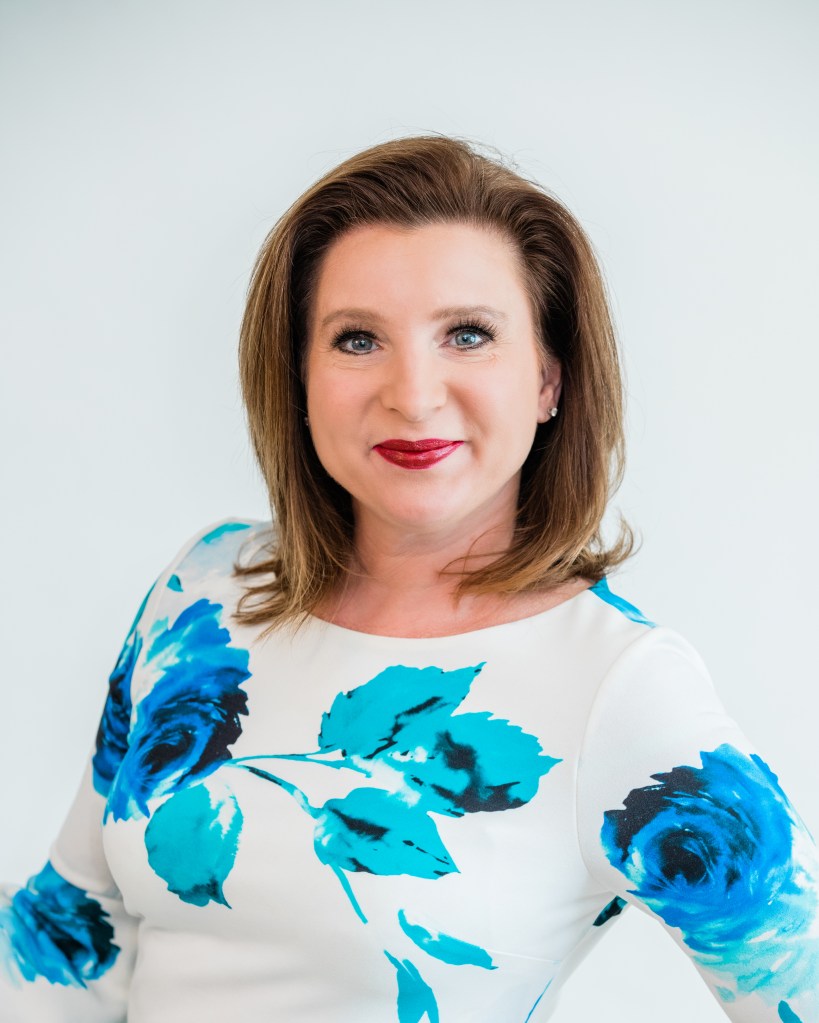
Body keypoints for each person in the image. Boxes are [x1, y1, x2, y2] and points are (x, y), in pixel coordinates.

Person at [1, 136, 816, 1023]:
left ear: (547, 377)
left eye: (468, 334)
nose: (413, 393)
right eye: (358, 339)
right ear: (300, 377)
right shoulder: (204, 589)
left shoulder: (618, 684)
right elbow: (73, 934)